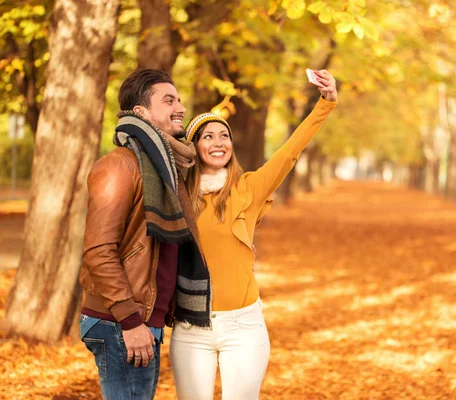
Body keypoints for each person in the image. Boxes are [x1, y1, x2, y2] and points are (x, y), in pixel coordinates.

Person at [169, 69, 338, 400]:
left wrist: (326, 103)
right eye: (208, 136)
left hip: (243, 327)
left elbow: (291, 150)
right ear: (193, 145)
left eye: (224, 136)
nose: (218, 142)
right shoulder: (177, 196)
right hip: (191, 328)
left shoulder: (248, 188)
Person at [79, 69, 205, 399]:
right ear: (141, 112)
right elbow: (98, 250)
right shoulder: (120, 165)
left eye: (179, 99)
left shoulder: (166, 169)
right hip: (121, 319)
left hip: (141, 317)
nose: (180, 107)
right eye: (168, 100)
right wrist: (130, 320)